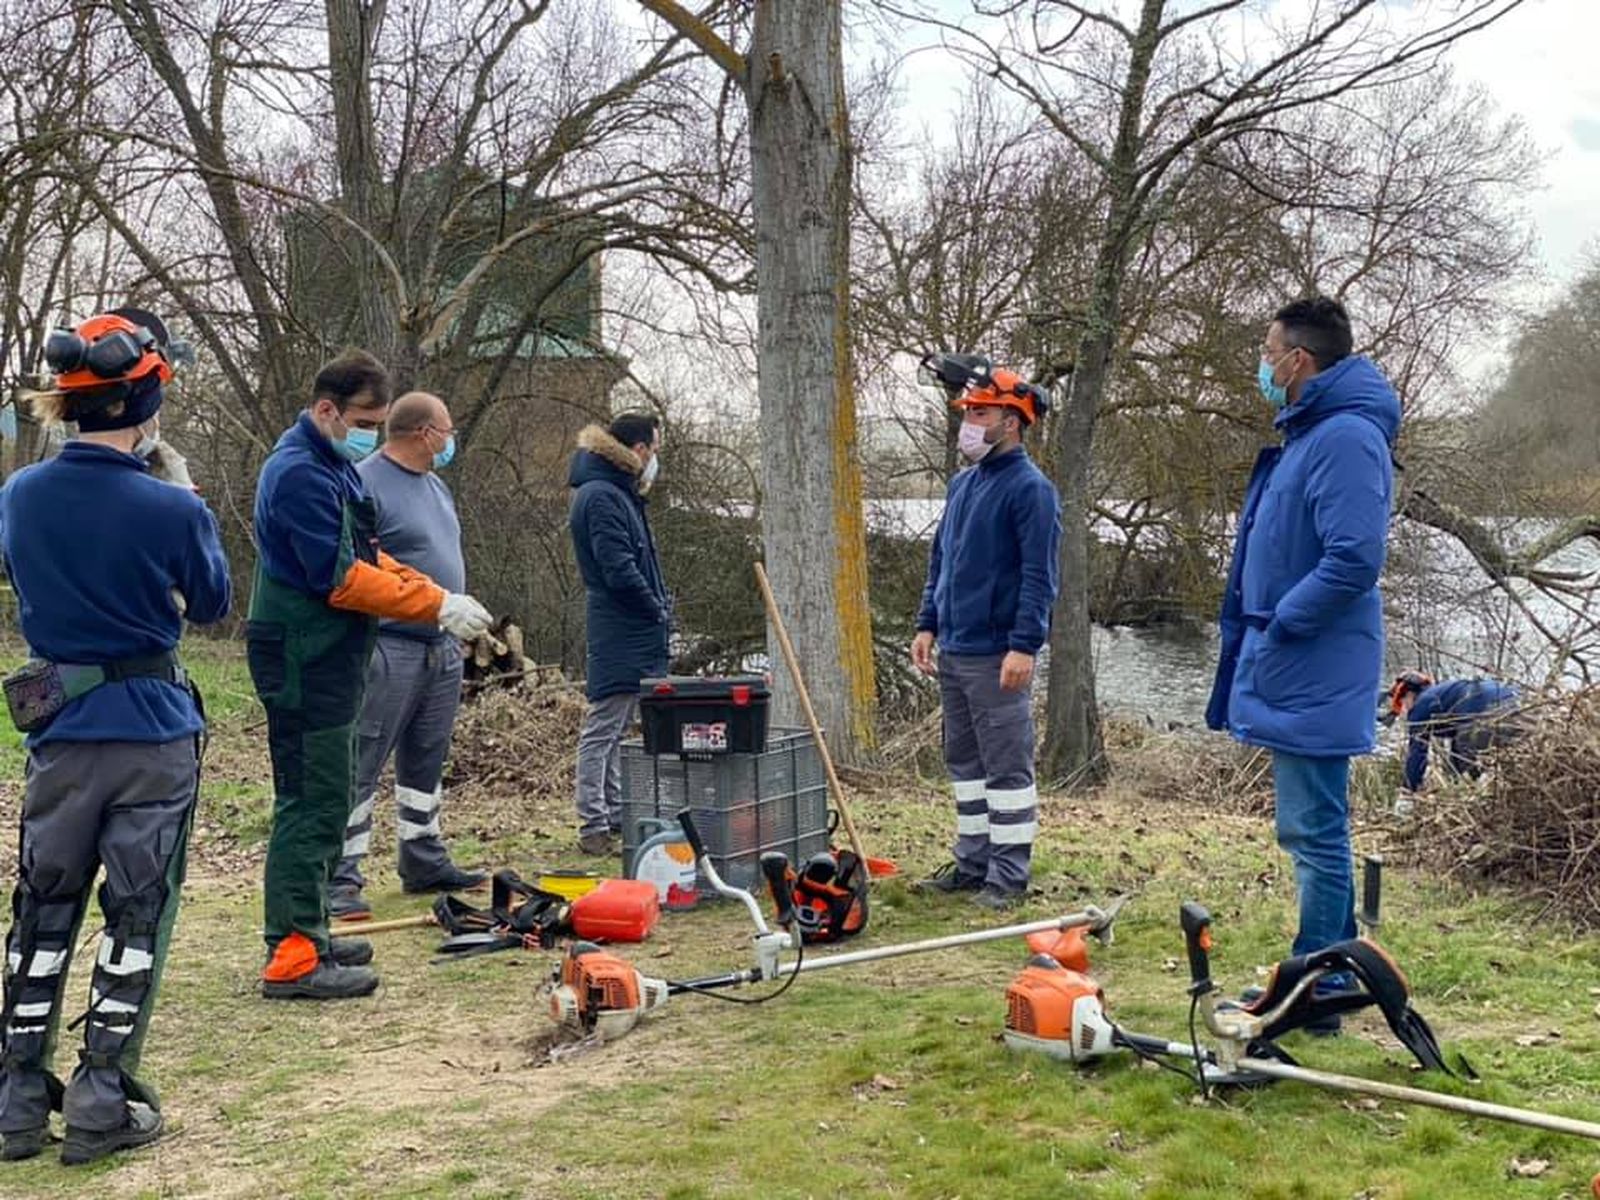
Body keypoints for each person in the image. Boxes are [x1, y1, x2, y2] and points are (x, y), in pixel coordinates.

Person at [0, 309, 231, 1164]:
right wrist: (180, 503)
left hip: (59, 731)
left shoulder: (18, 494)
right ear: (145, 401)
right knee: (135, 910)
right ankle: (101, 1099)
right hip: (150, 732)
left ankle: (18, 1095)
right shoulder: (169, 507)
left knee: (42, 907)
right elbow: (209, 607)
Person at [250, 352, 493, 1000]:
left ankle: (310, 932)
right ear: (326, 409)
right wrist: (436, 604)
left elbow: (370, 555)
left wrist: (427, 587)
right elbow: (342, 578)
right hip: (305, 653)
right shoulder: (299, 473)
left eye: (379, 421)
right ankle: (293, 955)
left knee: (324, 798)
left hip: (330, 653)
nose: (370, 432)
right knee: (311, 801)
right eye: (363, 421)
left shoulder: (328, 467)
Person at [1206, 297, 1400, 1034]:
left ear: (1299, 360)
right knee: (1312, 829)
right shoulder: (1311, 434)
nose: (1262, 362)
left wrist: (1283, 622)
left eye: (1268, 348)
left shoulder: (1345, 438)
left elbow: (1354, 558)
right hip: (1297, 663)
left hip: (1314, 662)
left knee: (1314, 831)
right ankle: (1328, 975)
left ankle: (1314, 990)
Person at [328, 392, 488, 920]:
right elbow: (360, 565)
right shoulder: (366, 482)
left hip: (440, 646)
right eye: (447, 429)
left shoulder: (436, 486)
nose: (451, 439)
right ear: (424, 433)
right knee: (363, 760)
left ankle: (422, 857)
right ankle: (341, 875)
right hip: (388, 644)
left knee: (426, 758)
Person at [910, 354, 1060, 911]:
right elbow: (941, 560)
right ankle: (972, 863)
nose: (969, 422)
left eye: (981, 412)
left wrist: (1024, 644)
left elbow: (1039, 577)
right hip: (955, 647)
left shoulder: (1031, 491)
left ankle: (1008, 876)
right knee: (966, 768)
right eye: (968, 411)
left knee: (1006, 770)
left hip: (998, 653)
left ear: (1012, 422)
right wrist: (928, 622)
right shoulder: (964, 484)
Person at [567, 413, 669, 856]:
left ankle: (611, 812)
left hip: (631, 627)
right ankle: (593, 821)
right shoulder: (603, 497)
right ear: (640, 449)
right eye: (656, 450)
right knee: (604, 724)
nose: (655, 460)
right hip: (621, 626)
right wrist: (655, 607)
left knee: (618, 722)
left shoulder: (615, 493)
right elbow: (619, 569)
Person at [1385, 672, 1523, 809]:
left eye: (1402, 702)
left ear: (1409, 694)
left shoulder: (1420, 705)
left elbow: (1417, 753)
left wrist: (1408, 790)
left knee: (1471, 772)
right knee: (1512, 765)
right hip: (1518, 705)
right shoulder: (1444, 692)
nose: (1404, 709)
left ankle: (1480, 807)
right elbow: (1456, 746)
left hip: (1486, 715)